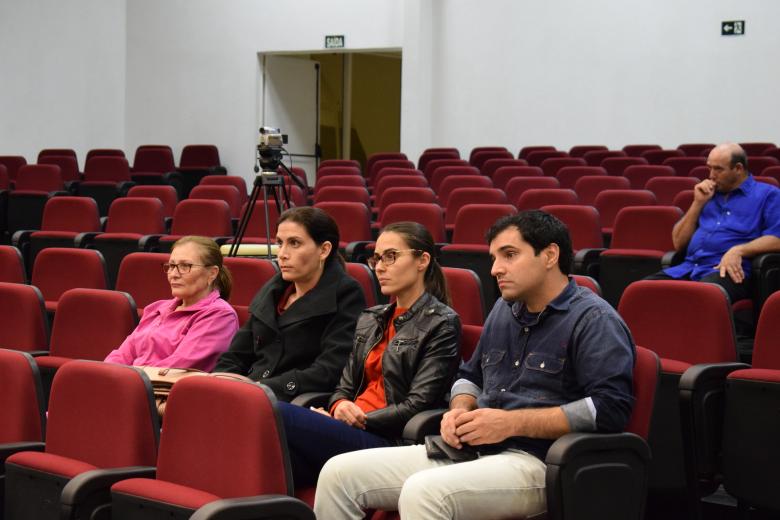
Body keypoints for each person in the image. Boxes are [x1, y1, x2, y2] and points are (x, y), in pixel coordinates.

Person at [314, 210, 635, 520]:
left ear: (550, 255)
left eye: (509, 255)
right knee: (339, 474)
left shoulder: (594, 319)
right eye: (494, 257)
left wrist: (511, 423)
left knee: (424, 492)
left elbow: (609, 407)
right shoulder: (503, 310)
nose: (495, 269)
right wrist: (459, 410)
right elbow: (469, 376)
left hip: (541, 461)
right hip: (474, 449)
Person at [276, 221, 461, 487]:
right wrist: (339, 406)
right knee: (272, 461)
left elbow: (417, 405)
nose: (381, 267)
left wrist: (355, 420)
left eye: (391, 256)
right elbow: (344, 387)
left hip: (387, 440)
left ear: (422, 261)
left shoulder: (441, 323)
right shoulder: (371, 318)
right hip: (350, 428)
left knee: (271, 410)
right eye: (377, 258)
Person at [213, 206, 366, 401]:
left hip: (295, 400)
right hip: (251, 394)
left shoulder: (346, 294)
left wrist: (260, 389)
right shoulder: (273, 291)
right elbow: (235, 356)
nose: (282, 254)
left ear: (324, 250)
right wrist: (218, 384)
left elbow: (329, 370)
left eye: (294, 243)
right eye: (280, 243)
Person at [647, 142, 780, 303]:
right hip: (688, 268)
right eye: (709, 168)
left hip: (727, 271)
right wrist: (697, 203)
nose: (711, 175)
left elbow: (777, 238)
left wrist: (738, 250)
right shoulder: (707, 195)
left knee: (700, 295)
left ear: (738, 168)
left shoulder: (768, 195)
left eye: (718, 169)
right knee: (641, 291)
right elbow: (678, 242)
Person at [105, 236, 239, 371]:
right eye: (172, 266)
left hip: (160, 383)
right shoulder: (156, 308)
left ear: (212, 273)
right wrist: (109, 374)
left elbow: (178, 367)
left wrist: (131, 377)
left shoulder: (220, 315)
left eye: (185, 266)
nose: (173, 274)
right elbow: (123, 354)